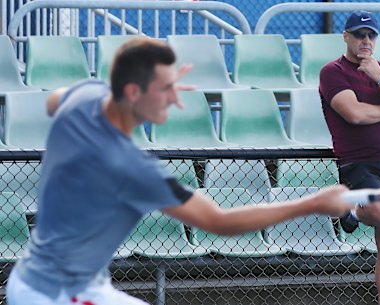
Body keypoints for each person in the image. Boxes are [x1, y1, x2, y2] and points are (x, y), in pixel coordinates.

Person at [6, 37, 354, 305]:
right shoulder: (130, 167)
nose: (177, 100)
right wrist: (312, 204)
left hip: (50, 280)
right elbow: (220, 222)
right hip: (56, 293)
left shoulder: (84, 98)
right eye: (166, 90)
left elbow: (55, 99)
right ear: (132, 92)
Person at [319, 10, 380, 305]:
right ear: (346, 37)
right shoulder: (332, 71)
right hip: (358, 160)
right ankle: (351, 212)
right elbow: (354, 114)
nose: (366, 40)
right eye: (359, 34)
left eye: (371, 35)